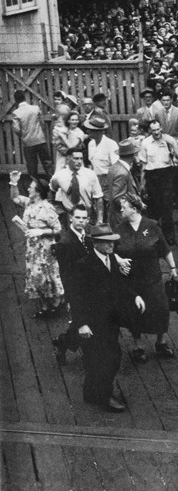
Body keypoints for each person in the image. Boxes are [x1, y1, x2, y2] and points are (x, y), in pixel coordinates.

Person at [70, 224, 145, 412]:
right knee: (107, 358)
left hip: (110, 319)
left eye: (112, 242)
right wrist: (82, 324)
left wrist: (134, 295)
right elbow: (76, 297)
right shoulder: (84, 265)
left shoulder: (111, 258)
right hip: (93, 321)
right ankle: (105, 396)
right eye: (107, 242)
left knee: (101, 357)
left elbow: (118, 283)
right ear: (96, 243)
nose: (112, 245)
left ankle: (92, 392)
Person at [116, 194, 178, 362]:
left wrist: (172, 267)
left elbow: (165, 248)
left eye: (124, 206)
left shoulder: (152, 226)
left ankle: (161, 342)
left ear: (134, 209)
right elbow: (110, 250)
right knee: (134, 312)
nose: (120, 209)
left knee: (161, 308)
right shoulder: (119, 229)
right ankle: (138, 346)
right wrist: (118, 259)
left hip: (152, 276)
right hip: (131, 279)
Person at [9, 171, 64, 318]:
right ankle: (46, 306)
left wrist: (41, 231)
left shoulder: (47, 208)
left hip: (46, 248)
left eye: (31, 188)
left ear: (38, 192)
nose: (28, 189)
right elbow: (15, 198)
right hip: (33, 248)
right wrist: (14, 183)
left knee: (48, 275)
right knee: (36, 276)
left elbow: (58, 229)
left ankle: (57, 304)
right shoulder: (29, 203)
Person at [52, 204, 92, 364]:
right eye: (78, 217)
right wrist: (70, 298)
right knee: (83, 322)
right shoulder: (65, 242)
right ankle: (67, 344)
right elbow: (67, 275)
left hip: (91, 286)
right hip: (77, 290)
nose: (81, 221)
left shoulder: (87, 238)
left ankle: (62, 343)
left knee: (87, 322)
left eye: (84, 218)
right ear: (71, 218)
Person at [139, 119, 178, 244]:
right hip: (152, 176)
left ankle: (169, 236)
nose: (157, 132)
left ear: (161, 128)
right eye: (153, 130)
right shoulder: (145, 143)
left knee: (167, 207)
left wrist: (173, 145)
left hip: (166, 175)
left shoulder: (168, 140)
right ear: (149, 131)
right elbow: (143, 164)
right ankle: (155, 236)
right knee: (153, 207)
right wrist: (142, 183)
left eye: (158, 129)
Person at [50, 147, 104, 226]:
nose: (79, 162)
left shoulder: (90, 175)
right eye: (76, 158)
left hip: (87, 216)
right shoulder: (59, 176)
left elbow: (99, 198)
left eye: (81, 159)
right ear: (68, 159)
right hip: (68, 218)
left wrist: (100, 220)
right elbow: (52, 191)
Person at [12, 90, 52, 180]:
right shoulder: (35, 108)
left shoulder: (16, 113)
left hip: (28, 142)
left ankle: (35, 186)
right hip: (40, 139)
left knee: (32, 167)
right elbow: (42, 123)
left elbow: (16, 129)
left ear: (16, 100)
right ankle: (52, 183)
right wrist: (41, 133)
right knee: (47, 162)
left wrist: (23, 135)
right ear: (24, 98)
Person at [85, 116, 119, 216]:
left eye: (91, 130)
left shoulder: (111, 144)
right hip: (95, 179)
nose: (88, 131)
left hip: (108, 180)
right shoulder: (91, 144)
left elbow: (116, 167)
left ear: (98, 131)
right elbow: (91, 163)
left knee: (109, 206)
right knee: (96, 206)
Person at [107, 138, 140, 229]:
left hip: (116, 215)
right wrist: (137, 204)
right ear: (132, 155)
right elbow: (118, 198)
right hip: (122, 217)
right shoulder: (122, 172)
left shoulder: (114, 167)